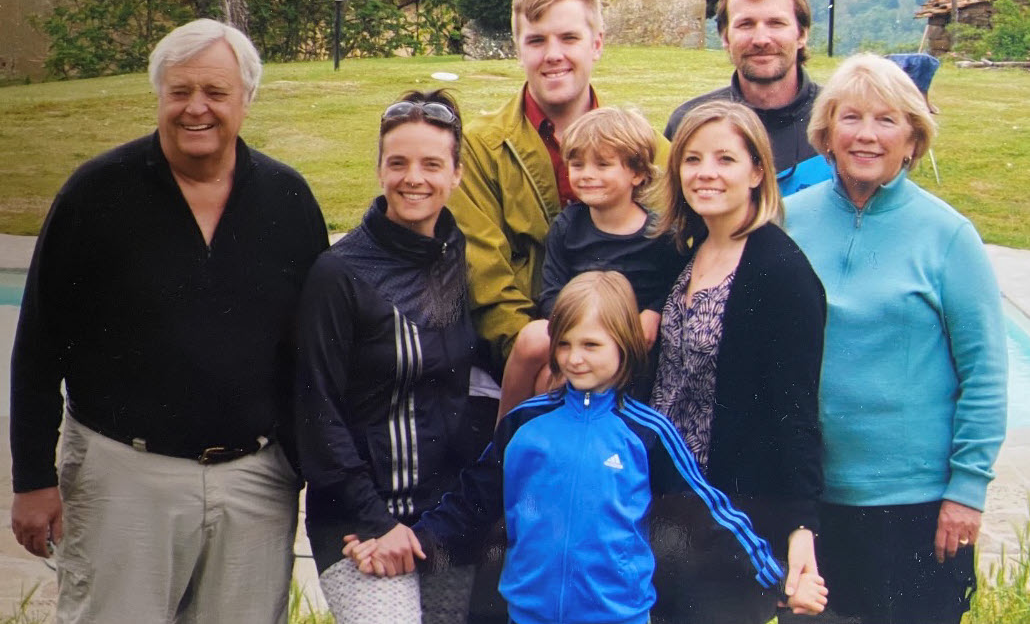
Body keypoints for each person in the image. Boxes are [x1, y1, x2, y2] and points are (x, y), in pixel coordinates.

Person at [9, 18, 328, 623]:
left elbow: (309, 352)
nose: (196, 108)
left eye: (215, 92)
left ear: (246, 99)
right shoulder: (96, 194)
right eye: (179, 92)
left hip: (255, 483)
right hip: (122, 476)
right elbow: (38, 346)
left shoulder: (288, 201)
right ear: (158, 95)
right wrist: (32, 478)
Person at [348, 271, 824, 624]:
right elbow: (469, 503)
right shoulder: (524, 424)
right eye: (565, 343)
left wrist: (781, 577)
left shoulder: (647, 433)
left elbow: (713, 515)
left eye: (592, 344)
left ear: (623, 345)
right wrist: (412, 540)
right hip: (527, 616)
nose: (574, 358)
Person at [784, 53, 1008, 624]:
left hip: (919, 509)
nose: (866, 135)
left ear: (913, 140)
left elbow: (985, 375)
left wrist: (966, 491)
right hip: (810, 503)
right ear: (827, 133)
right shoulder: (784, 221)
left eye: (887, 120)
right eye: (850, 117)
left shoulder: (949, 236)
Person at [294, 91, 486, 624]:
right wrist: (376, 524)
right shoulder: (340, 274)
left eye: (431, 164)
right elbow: (318, 414)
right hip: (359, 524)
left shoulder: (453, 254)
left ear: (457, 174)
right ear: (379, 169)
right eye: (397, 163)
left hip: (439, 524)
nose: (413, 178)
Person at [649, 100, 826, 624]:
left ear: (756, 172)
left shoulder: (780, 273)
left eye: (725, 159)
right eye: (692, 159)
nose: (705, 173)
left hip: (728, 521)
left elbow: (796, 413)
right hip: (665, 508)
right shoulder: (685, 251)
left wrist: (800, 529)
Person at [448, 0, 606, 393]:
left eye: (569, 38)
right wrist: (547, 368)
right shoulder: (480, 149)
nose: (553, 54)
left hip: (622, 364)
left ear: (597, 44)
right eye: (536, 41)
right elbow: (486, 281)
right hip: (527, 368)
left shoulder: (642, 149)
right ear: (518, 50)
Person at [496, 107, 685, 420]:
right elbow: (552, 292)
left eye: (602, 164)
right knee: (535, 346)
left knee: (555, 377)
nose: (587, 174)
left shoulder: (660, 234)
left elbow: (675, 286)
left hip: (630, 347)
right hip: (577, 335)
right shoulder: (569, 227)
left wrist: (654, 310)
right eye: (578, 164)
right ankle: (505, 435)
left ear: (637, 173)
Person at [664, 0, 830, 195]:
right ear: (725, 37)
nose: (761, 39)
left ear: (802, 34)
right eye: (745, 24)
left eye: (776, 23)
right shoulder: (688, 123)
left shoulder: (838, 121)